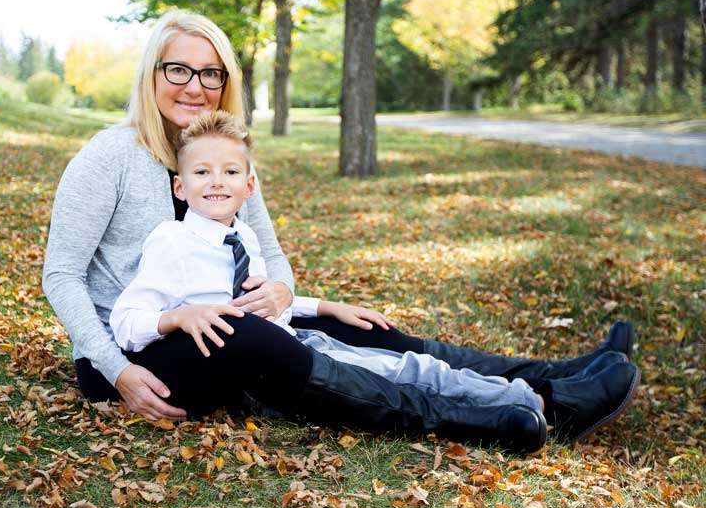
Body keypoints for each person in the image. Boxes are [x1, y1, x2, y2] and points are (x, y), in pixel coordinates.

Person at [42, 9, 639, 451]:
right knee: (254, 339)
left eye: (211, 73)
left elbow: (270, 257)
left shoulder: (224, 157)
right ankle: (476, 418)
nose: (195, 86)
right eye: (179, 69)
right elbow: (62, 274)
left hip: (222, 323)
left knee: (355, 325)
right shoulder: (110, 156)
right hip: (136, 351)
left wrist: (284, 293)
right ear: (151, 74)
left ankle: (554, 382)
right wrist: (116, 370)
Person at [108, 110, 639, 451]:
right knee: (397, 374)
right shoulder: (171, 242)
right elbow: (127, 321)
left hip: (295, 339)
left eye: (228, 173)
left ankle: (539, 392)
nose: (215, 183)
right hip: (259, 373)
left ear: (250, 185)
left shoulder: (241, 234)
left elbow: (264, 303)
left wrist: (320, 305)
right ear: (180, 187)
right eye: (201, 173)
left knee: (413, 362)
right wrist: (180, 315)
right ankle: (535, 409)